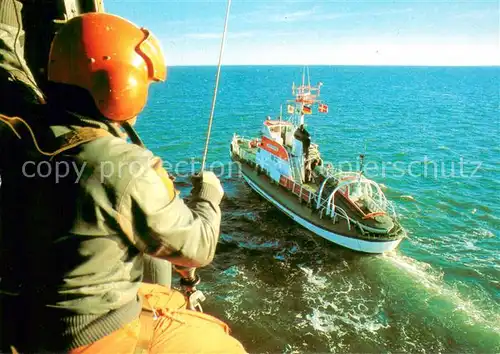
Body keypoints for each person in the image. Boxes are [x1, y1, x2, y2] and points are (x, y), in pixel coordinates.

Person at [0, 7, 246, 354]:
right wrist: (209, 194)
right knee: (224, 345)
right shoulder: (123, 165)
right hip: (86, 334)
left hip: (22, 317)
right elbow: (199, 246)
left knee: (165, 297)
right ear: (120, 84)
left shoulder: (20, 126)